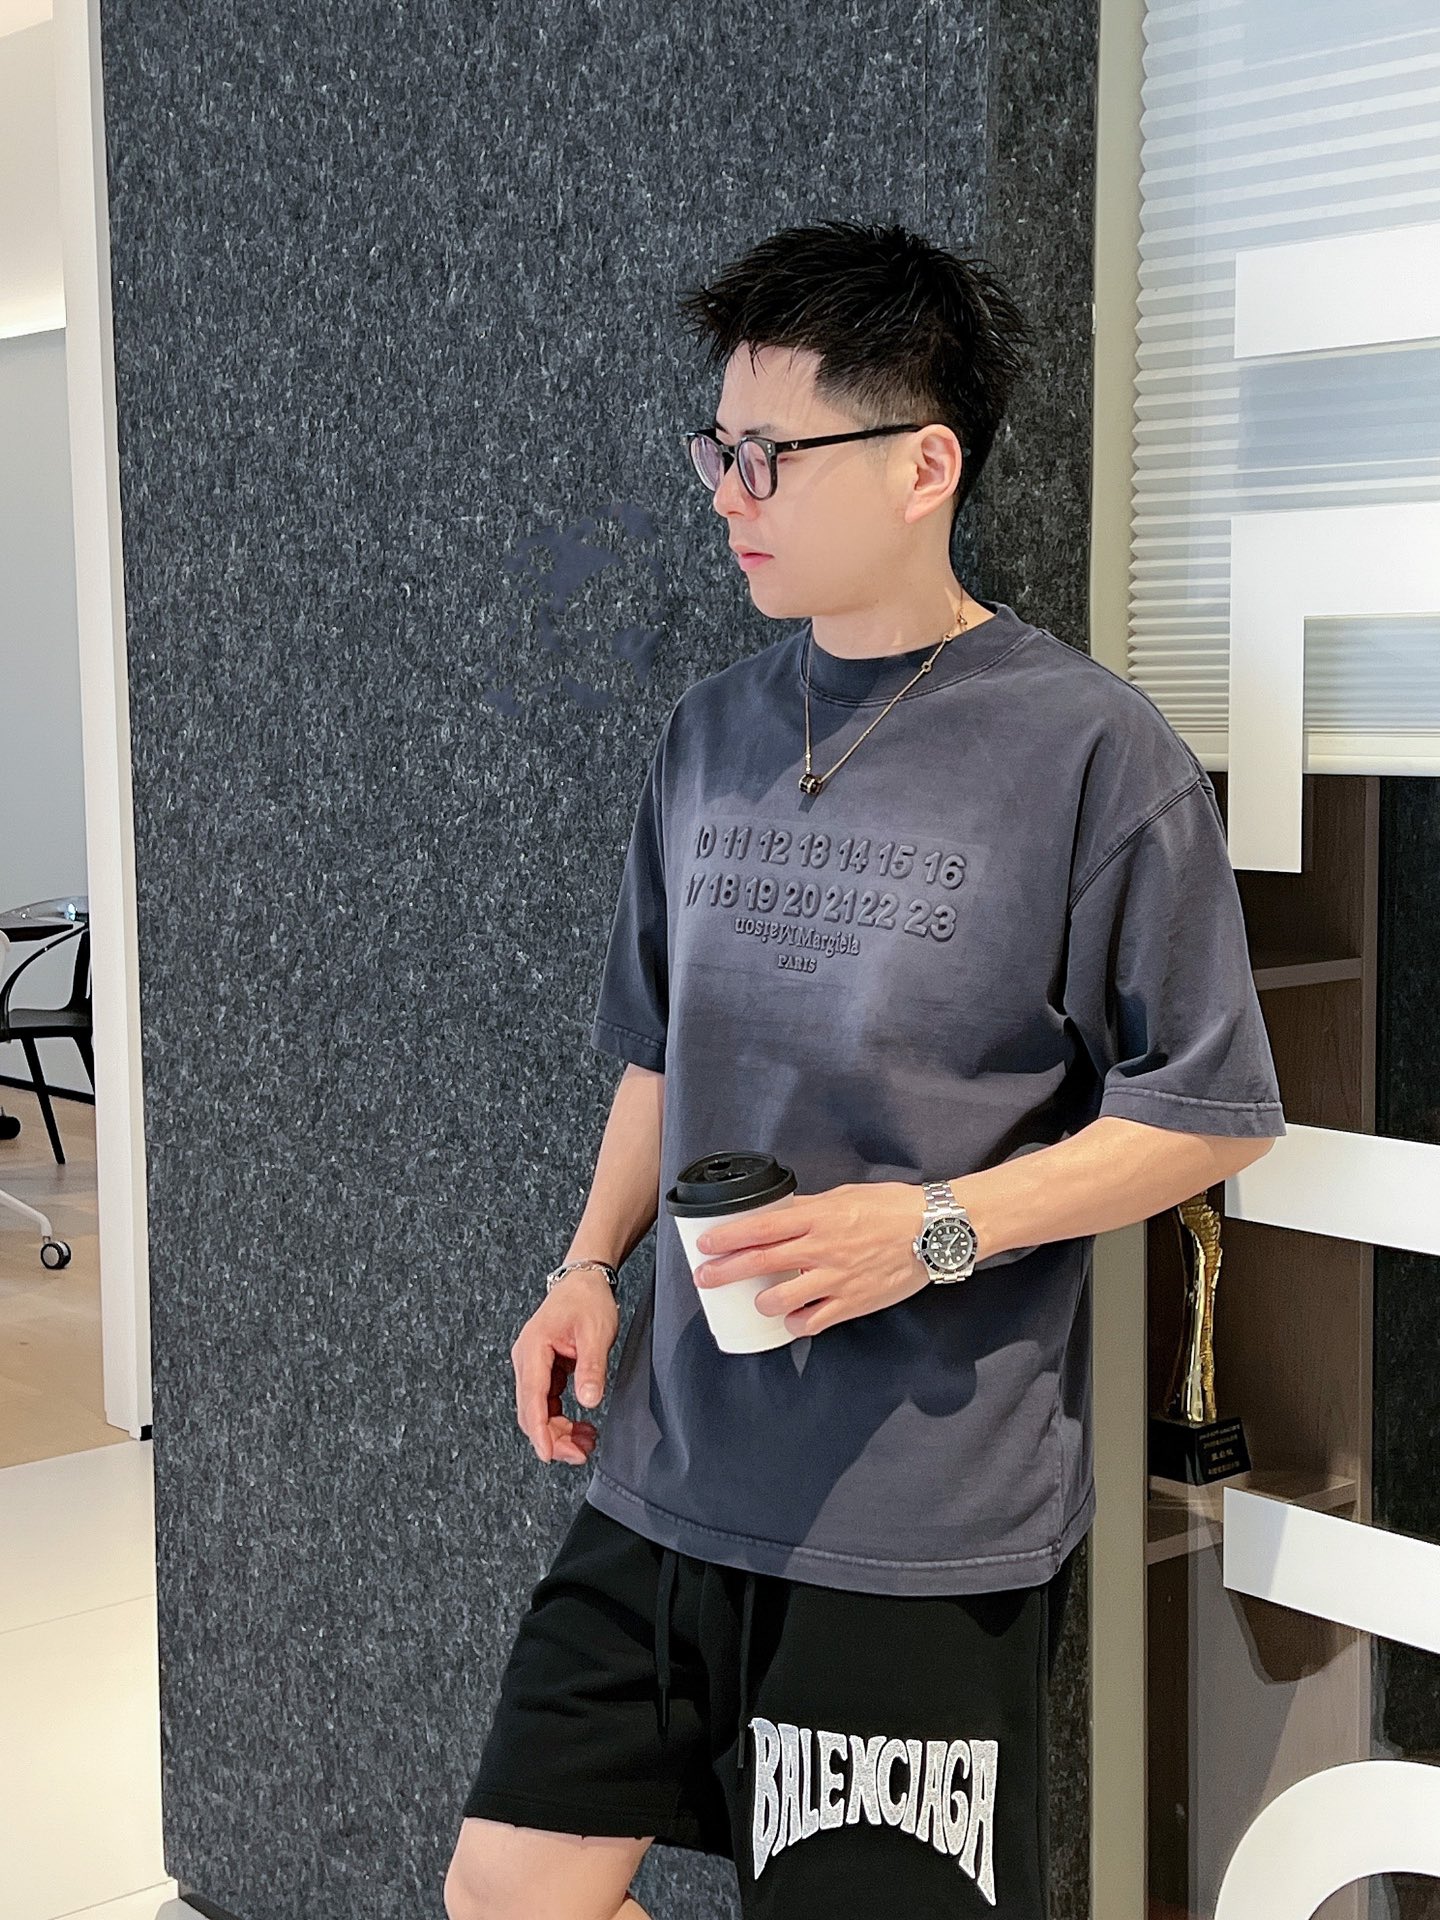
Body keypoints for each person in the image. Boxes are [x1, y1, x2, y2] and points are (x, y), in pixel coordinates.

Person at [445, 219, 1286, 1920]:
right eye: (718, 449)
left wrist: (930, 1229)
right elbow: (660, 1051)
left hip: (919, 1504)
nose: (727, 493)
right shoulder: (709, 731)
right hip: (674, 1465)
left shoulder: (1091, 753)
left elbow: (1207, 1115)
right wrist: (587, 1268)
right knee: (506, 1892)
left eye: (770, 455)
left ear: (925, 464)